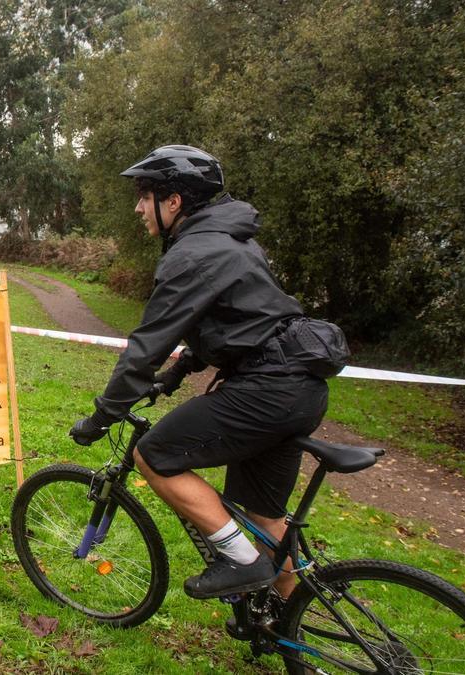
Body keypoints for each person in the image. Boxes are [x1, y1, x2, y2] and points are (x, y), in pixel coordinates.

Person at [69, 145, 330, 600]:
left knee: (154, 455)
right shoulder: (234, 241)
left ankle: (242, 563)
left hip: (265, 390)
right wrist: (177, 374)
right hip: (299, 387)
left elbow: (145, 347)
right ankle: (291, 628)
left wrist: (102, 417)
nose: (137, 207)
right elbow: (238, 321)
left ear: (174, 201)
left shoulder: (192, 254)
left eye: (144, 195)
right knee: (267, 517)